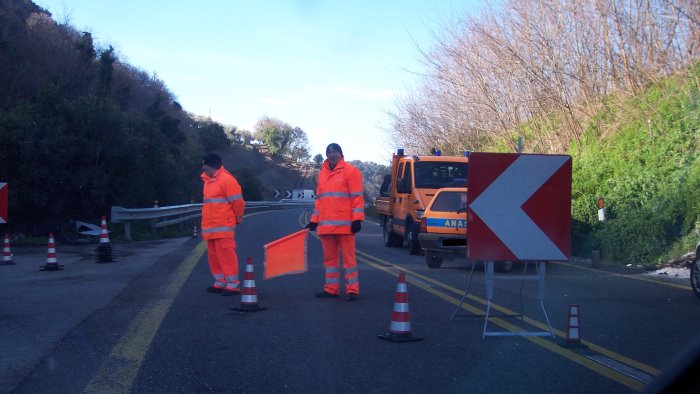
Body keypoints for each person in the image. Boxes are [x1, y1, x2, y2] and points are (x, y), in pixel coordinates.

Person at [305, 143, 365, 301]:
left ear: (341, 154)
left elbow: (357, 198)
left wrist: (357, 219)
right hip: (325, 226)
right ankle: (331, 289)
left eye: (335, 152)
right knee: (329, 260)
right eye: (329, 152)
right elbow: (320, 201)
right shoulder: (322, 173)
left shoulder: (351, 171)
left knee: (348, 260)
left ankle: (353, 290)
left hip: (345, 226)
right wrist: (314, 221)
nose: (332, 154)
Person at [200, 153, 245, 296]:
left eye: (204, 165)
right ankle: (220, 282)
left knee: (226, 256)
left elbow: (238, 203)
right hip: (210, 228)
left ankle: (233, 284)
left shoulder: (227, 180)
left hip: (223, 227)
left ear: (210, 165)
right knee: (214, 257)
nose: (202, 168)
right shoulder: (208, 181)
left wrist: (238, 219)